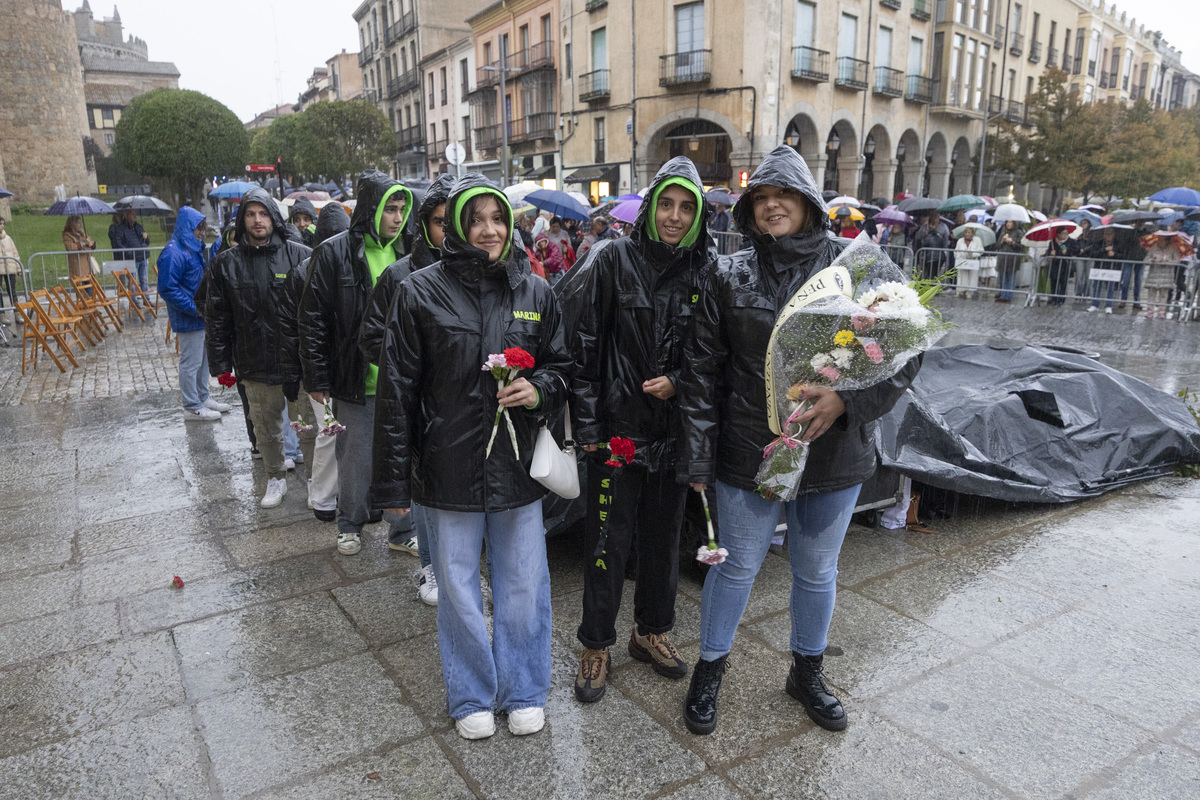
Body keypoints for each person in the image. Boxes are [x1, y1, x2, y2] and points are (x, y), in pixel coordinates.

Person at [676, 145, 919, 736]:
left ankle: (807, 671)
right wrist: (698, 457)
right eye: (760, 198)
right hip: (747, 451)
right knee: (735, 569)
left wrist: (847, 401)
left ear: (808, 202)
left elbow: (907, 354)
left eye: (781, 195)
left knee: (816, 571)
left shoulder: (860, 266)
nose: (770, 206)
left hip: (834, 453)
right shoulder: (726, 273)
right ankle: (709, 671)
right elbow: (701, 371)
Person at [370, 173, 573, 740]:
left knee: (524, 583)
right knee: (457, 587)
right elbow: (397, 393)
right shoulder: (419, 290)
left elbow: (562, 366)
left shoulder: (536, 291)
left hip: (515, 466)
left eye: (498, 218)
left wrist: (539, 389)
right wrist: (390, 487)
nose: (489, 230)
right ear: (457, 225)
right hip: (448, 466)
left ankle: (524, 688)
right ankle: (470, 695)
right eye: (477, 219)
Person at [558, 157, 716, 705]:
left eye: (687, 207)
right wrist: (589, 427)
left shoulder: (707, 271)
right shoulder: (610, 260)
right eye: (667, 204)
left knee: (663, 542)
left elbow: (715, 354)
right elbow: (579, 349)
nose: (675, 217)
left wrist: (679, 380)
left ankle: (651, 631)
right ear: (651, 207)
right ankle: (596, 642)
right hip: (616, 434)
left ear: (698, 215)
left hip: (673, 438)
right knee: (606, 541)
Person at [298, 170, 414, 556]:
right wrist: (316, 375)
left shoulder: (409, 252)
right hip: (355, 377)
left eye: (402, 209)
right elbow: (312, 317)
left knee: (401, 457)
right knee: (354, 458)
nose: (397, 218)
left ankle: (402, 530)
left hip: (401, 380)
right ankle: (350, 523)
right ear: (371, 210)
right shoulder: (333, 252)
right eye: (390, 209)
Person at [358, 172, 455, 603]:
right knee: (428, 490)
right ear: (425, 225)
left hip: (464, 403)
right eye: (439, 221)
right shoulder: (400, 276)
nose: (448, 231)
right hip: (418, 403)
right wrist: (409, 365)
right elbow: (371, 336)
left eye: (457, 220)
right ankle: (431, 568)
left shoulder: (485, 271)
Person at [206, 188, 312, 508]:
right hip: (254, 361)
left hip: (296, 362)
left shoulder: (299, 254)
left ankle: (316, 481)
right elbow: (217, 317)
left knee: (307, 427)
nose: (257, 220)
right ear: (242, 220)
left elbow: (316, 309)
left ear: (273, 217)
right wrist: (220, 365)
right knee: (265, 429)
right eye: (251, 214)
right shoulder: (225, 264)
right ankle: (275, 477)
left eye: (263, 213)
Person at [279, 203, 350, 522]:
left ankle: (341, 494)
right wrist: (300, 371)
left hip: (348, 365)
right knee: (329, 432)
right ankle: (322, 496)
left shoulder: (351, 267)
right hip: (319, 368)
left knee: (342, 433)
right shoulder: (302, 274)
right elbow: (293, 329)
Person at [158, 206, 231, 421]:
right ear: (187, 228)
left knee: (202, 360)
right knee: (191, 362)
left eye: (202, 228)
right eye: (197, 229)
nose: (201, 233)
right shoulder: (174, 252)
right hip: (189, 316)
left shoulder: (191, 248)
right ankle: (192, 405)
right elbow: (167, 288)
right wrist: (193, 308)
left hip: (200, 315)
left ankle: (202, 396)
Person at [111, 209, 151, 303]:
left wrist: (146, 237)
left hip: (143, 256)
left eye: (135, 214)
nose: (134, 216)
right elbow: (118, 242)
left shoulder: (138, 227)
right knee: (133, 281)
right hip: (132, 258)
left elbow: (146, 242)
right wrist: (128, 252)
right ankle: (134, 300)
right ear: (126, 215)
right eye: (132, 214)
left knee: (144, 280)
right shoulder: (120, 229)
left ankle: (146, 299)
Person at [1087, 226, 1127, 314]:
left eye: (1110, 234)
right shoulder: (1098, 243)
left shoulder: (1118, 243)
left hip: (1112, 269)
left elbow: (1123, 256)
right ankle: (1095, 304)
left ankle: (1108, 305)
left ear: (1113, 235)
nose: (1109, 236)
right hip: (1099, 268)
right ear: (1104, 234)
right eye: (1107, 234)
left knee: (1110, 288)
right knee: (1097, 287)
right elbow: (1092, 254)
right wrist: (1103, 250)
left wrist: (1114, 254)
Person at [1140, 233, 1178, 318]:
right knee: (1151, 295)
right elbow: (1146, 260)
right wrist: (1151, 260)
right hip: (1154, 275)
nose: (1159, 241)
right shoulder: (1153, 247)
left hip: (1166, 276)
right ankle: (1150, 310)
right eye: (1159, 239)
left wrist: (1168, 262)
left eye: (1162, 240)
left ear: (1167, 240)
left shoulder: (1173, 248)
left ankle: (1161, 311)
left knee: (1164, 295)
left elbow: (1177, 261)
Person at [1045, 226, 1082, 306]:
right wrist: (1051, 254)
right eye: (1063, 233)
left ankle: (1061, 300)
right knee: (1054, 283)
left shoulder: (1071, 242)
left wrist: (1067, 251)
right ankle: (1054, 299)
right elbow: (1047, 253)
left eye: (1066, 233)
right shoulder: (1053, 242)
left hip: (1065, 266)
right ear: (1058, 234)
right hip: (1055, 265)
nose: (1065, 235)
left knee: (1063, 283)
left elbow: (1077, 250)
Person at [993, 219, 1026, 303]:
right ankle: (1003, 293)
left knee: (1010, 278)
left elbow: (1021, 246)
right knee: (1002, 278)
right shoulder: (1003, 232)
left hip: (1012, 259)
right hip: (1002, 258)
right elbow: (997, 246)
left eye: (1010, 222)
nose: (1008, 224)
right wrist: (1002, 241)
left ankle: (1008, 296)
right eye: (1007, 222)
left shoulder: (1019, 233)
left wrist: (1011, 241)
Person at [912, 211, 950, 280]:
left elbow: (946, 239)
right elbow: (918, 237)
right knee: (928, 270)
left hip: (939, 254)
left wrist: (945, 249)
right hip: (927, 254)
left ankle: (932, 283)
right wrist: (925, 234)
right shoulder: (924, 226)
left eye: (937, 217)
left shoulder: (943, 226)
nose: (936, 219)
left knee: (935, 271)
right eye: (934, 217)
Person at [954, 225, 985, 299]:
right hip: (962, 261)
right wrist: (960, 256)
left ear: (972, 233)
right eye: (966, 232)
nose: (967, 234)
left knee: (971, 277)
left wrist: (973, 254)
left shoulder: (977, 240)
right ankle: (960, 291)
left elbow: (981, 251)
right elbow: (956, 251)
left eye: (969, 232)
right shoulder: (960, 240)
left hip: (972, 262)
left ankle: (969, 292)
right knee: (962, 276)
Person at [62, 216, 96, 281]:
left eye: (80, 223)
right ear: (72, 224)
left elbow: (90, 243)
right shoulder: (67, 235)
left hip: (88, 265)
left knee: (90, 288)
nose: (80, 225)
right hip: (78, 266)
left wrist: (92, 244)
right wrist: (83, 243)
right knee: (81, 289)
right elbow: (70, 247)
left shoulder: (82, 234)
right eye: (78, 223)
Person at [0, 217, 21, 324]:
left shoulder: (8, 238)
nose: (2, 226)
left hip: (10, 268)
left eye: (3, 224)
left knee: (12, 290)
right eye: (0, 224)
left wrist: (18, 268)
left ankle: (17, 313)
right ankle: (1, 315)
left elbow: (15, 254)